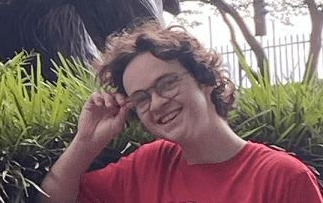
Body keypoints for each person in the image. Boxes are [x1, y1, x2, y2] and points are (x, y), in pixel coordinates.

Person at [40, 21, 323, 203]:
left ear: (205, 79)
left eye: (167, 84)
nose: (158, 102)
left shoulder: (282, 178)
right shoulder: (147, 167)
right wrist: (85, 143)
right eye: (141, 98)